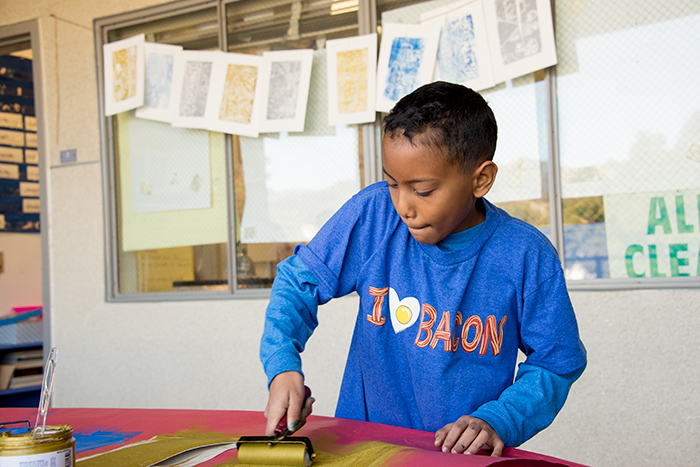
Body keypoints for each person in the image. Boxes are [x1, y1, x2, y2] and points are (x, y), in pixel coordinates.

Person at [260, 81, 587, 456]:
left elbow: (557, 361)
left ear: (480, 179)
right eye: (393, 183)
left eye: (424, 190)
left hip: (460, 461)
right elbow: (296, 281)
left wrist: (501, 418)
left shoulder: (525, 255)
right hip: (367, 452)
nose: (403, 205)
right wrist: (283, 366)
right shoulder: (374, 216)